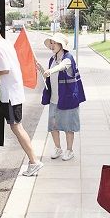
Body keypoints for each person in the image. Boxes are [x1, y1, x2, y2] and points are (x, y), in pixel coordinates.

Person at [0, 16, 43, 176]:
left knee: (17, 127)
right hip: (6, 93)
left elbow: (5, 70)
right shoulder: (6, 43)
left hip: (9, 95)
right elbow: (7, 65)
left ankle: (34, 161)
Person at [36, 33, 85, 161]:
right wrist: (42, 69)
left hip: (67, 99)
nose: (52, 46)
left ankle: (69, 150)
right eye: (51, 43)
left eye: (54, 43)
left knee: (69, 127)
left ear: (61, 45)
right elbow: (49, 76)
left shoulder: (68, 58)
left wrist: (50, 70)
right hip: (54, 99)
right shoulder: (52, 59)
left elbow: (62, 66)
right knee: (53, 126)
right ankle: (58, 148)